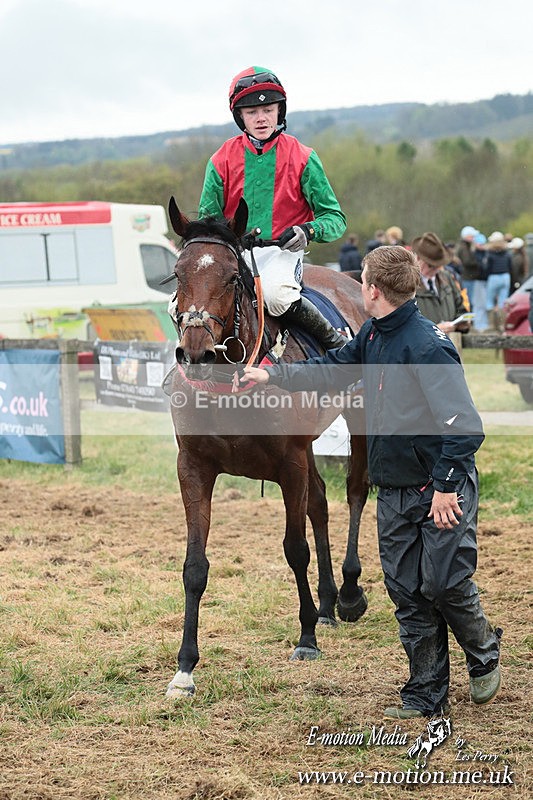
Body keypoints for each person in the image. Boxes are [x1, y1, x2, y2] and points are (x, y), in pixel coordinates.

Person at [243, 245, 501, 719]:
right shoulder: (372, 335)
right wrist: (274, 375)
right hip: (393, 489)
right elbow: (332, 369)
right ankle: (425, 692)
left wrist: (446, 487)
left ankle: (484, 649)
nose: (360, 286)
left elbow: (464, 428)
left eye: (362, 280)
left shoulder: (428, 347)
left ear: (373, 290)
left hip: (440, 490)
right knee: (406, 592)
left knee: (444, 584)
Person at [196, 66, 346, 349]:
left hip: (282, 253)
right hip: (235, 253)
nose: (261, 118)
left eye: (268, 110)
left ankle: (335, 344)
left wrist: (308, 230)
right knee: (179, 303)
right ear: (240, 116)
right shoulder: (220, 160)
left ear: (280, 111)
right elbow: (207, 220)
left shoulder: (304, 157)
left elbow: (335, 217)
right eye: (252, 112)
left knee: (276, 296)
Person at [411, 232, 471, 334]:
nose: (437, 269)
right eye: (431, 265)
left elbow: (460, 309)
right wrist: (434, 330)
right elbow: (403, 326)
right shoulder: (406, 285)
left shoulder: (447, 278)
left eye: (440, 264)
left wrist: (461, 324)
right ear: (417, 259)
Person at [485, 231, 512, 332]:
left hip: (494, 276)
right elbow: (510, 265)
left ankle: (492, 325)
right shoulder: (507, 252)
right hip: (505, 276)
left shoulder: (490, 253)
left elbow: (487, 267)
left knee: (489, 301)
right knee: (502, 302)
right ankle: (502, 325)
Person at [456, 225, 479, 313]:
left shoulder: (465, 246)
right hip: (467, 277)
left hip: (468, 276)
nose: (473, 238)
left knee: (469, 300)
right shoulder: (464, 247)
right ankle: (469, 317)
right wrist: (477, 262)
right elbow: (467, 261)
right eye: (472, 236)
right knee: (468, 300)